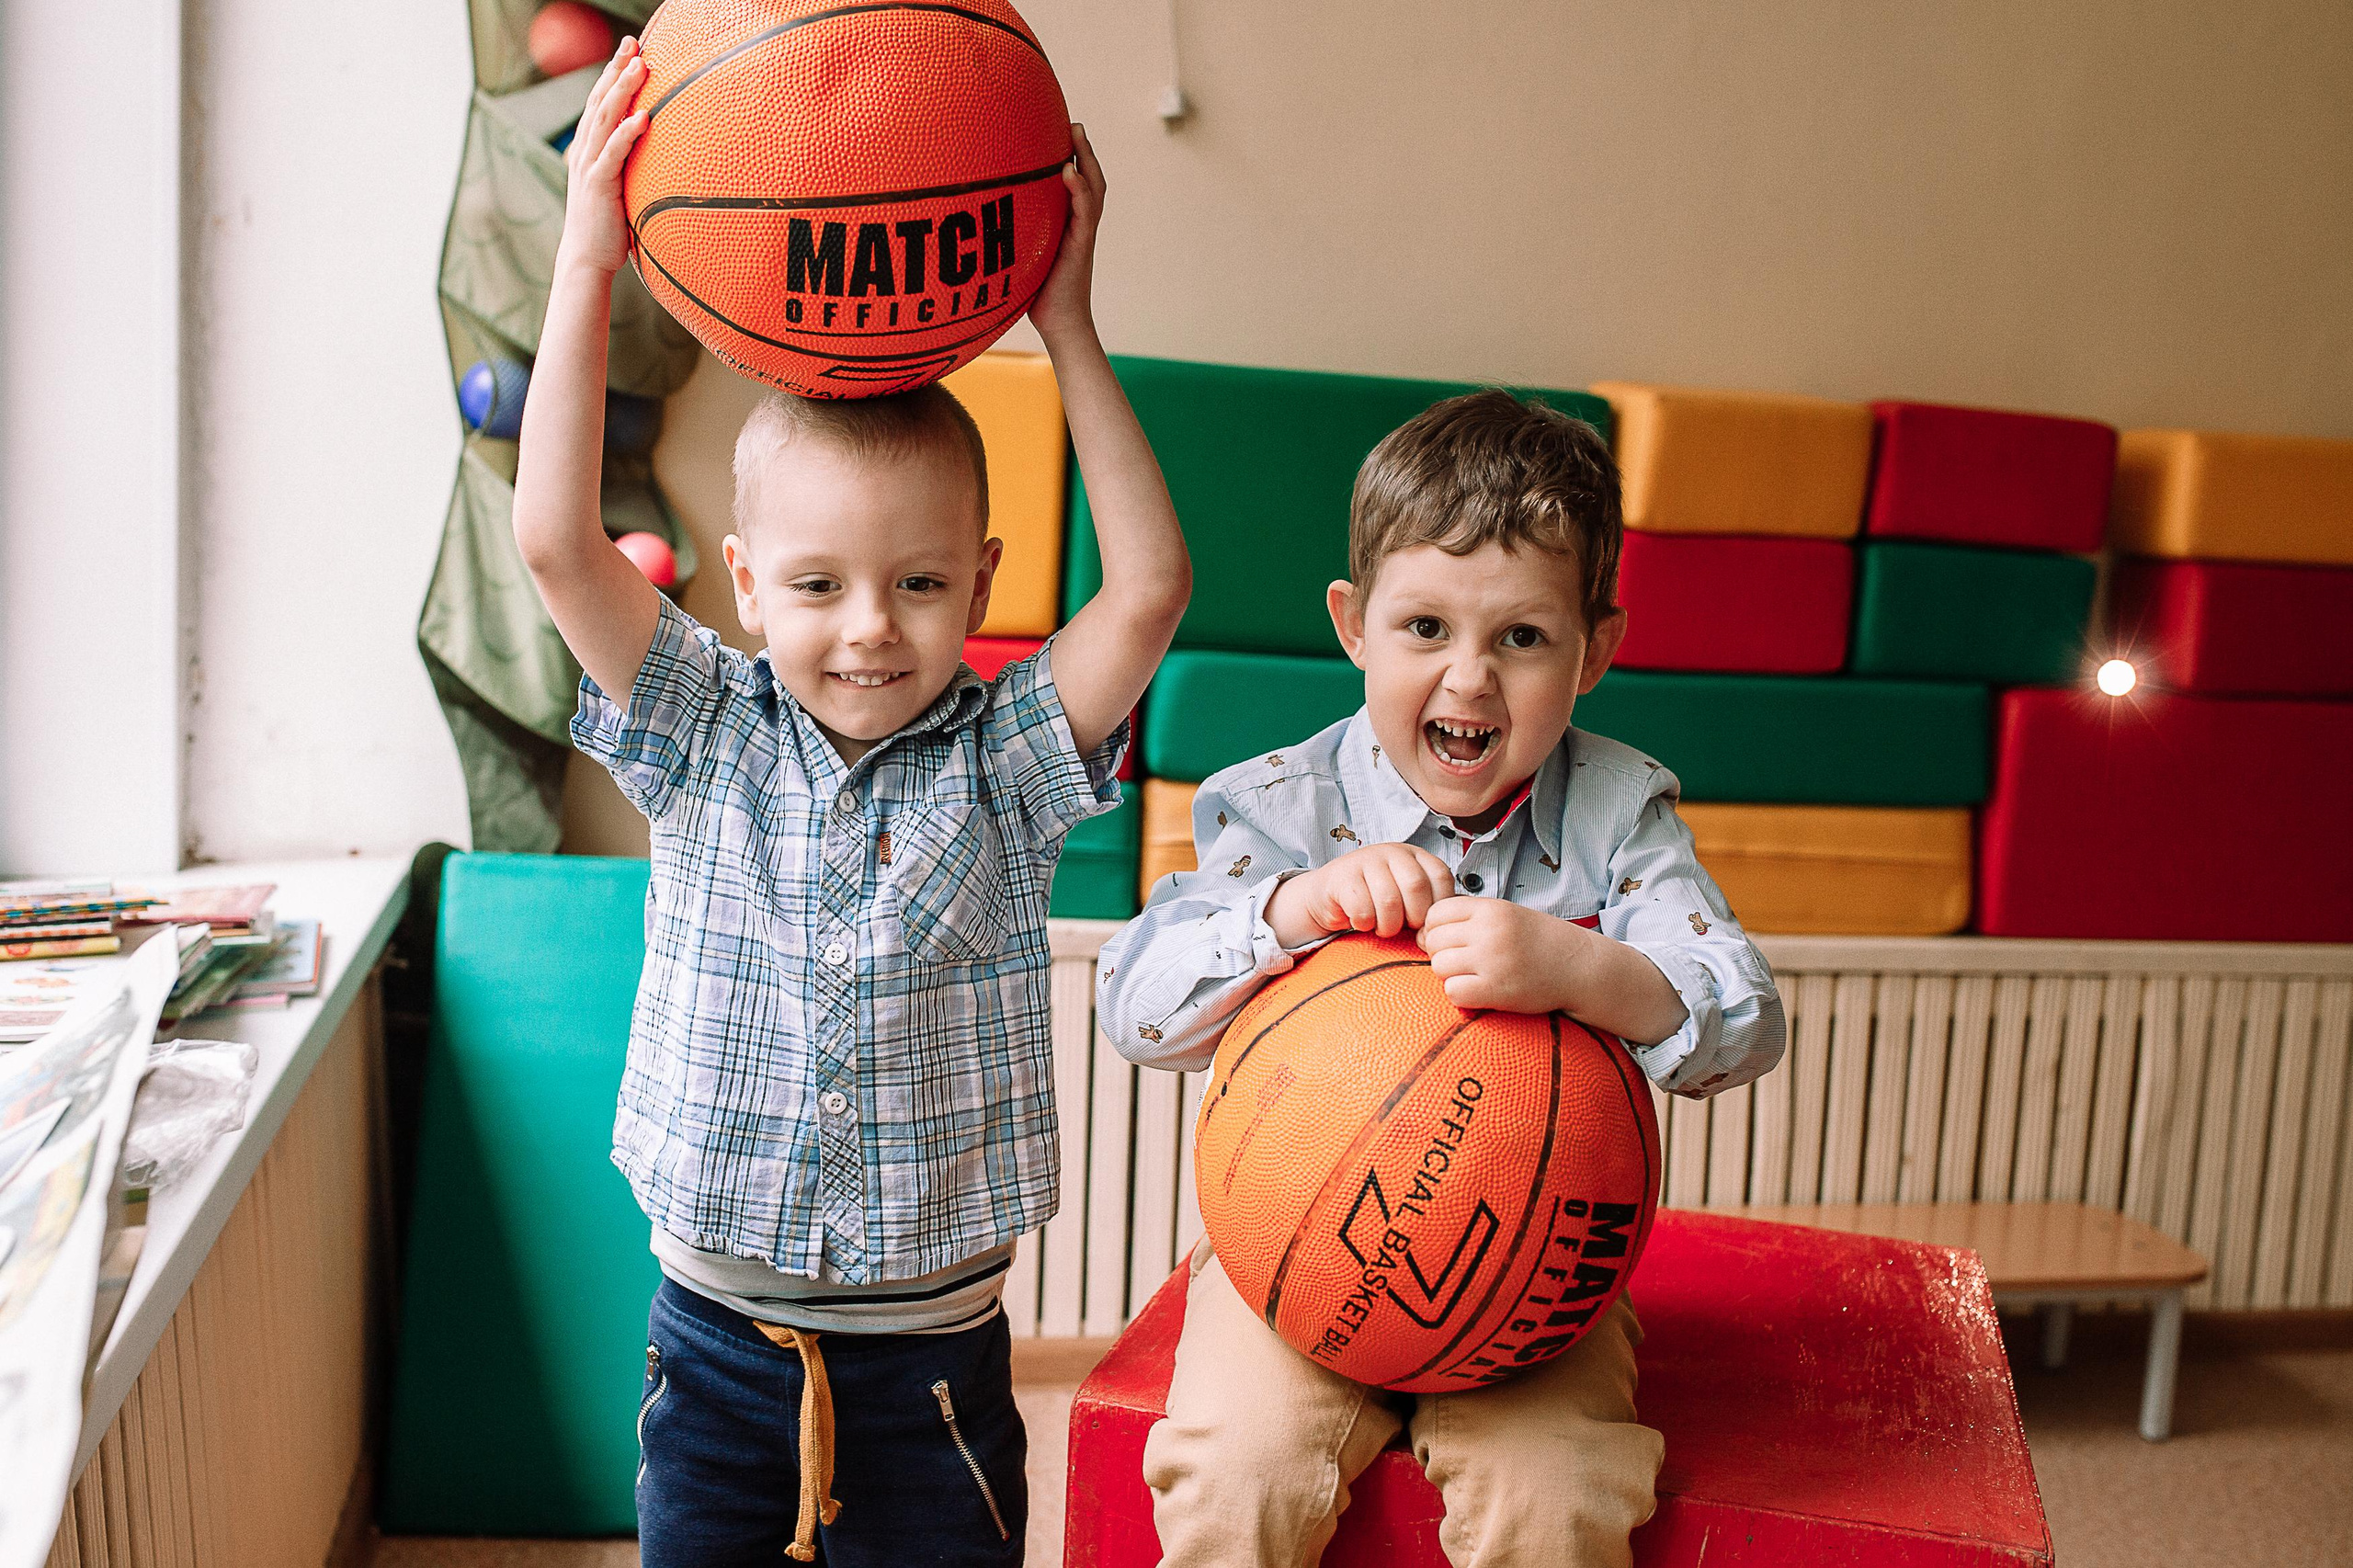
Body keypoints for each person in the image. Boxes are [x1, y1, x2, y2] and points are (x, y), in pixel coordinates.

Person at [513, 39, 1189, 1567]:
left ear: (983, 586)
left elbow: (1148, 589)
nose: (870, 626)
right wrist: (583, 258)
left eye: (922, 583)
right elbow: (558, 542)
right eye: (817, 586)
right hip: (715, 1343)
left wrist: (1065, 325)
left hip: (931, 1365)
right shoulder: (702, 726)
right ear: (746, 584)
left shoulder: (1003, 759)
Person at [1097, 389, 1785, 1568]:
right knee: (1231, 1471)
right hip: (1294, 1248)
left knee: (1561, 1492)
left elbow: (1747, 1009)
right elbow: (1135, 1002)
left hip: (1543, 1267)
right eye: (1425, 628)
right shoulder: (1280, 803)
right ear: (1353, 624)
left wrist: (1588, 968)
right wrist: (1288, 911)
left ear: (1595, 650)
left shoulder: (1619, 812)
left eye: (1521, 637)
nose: (1469, 679)